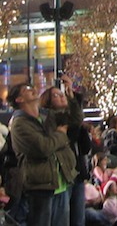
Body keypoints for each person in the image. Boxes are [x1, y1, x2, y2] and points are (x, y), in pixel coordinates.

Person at [7, 82, 77, 226]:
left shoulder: (46, 116)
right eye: (26, 89)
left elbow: (75, 121)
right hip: (41, 186)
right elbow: (43, 147)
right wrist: (61, 135)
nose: (33, 89)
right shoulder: (19, 124)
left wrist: (72, 98)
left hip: (61, 182)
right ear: (19, 99)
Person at [39, 75, 91, 226]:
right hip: (61, 175)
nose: (62, 97)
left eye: (62, 95)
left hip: (77, 172)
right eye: (56, 95)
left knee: (78, 218)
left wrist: (71, 94)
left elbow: (84, 143)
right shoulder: (49, 120)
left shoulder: (72, 119)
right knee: (62, 218)